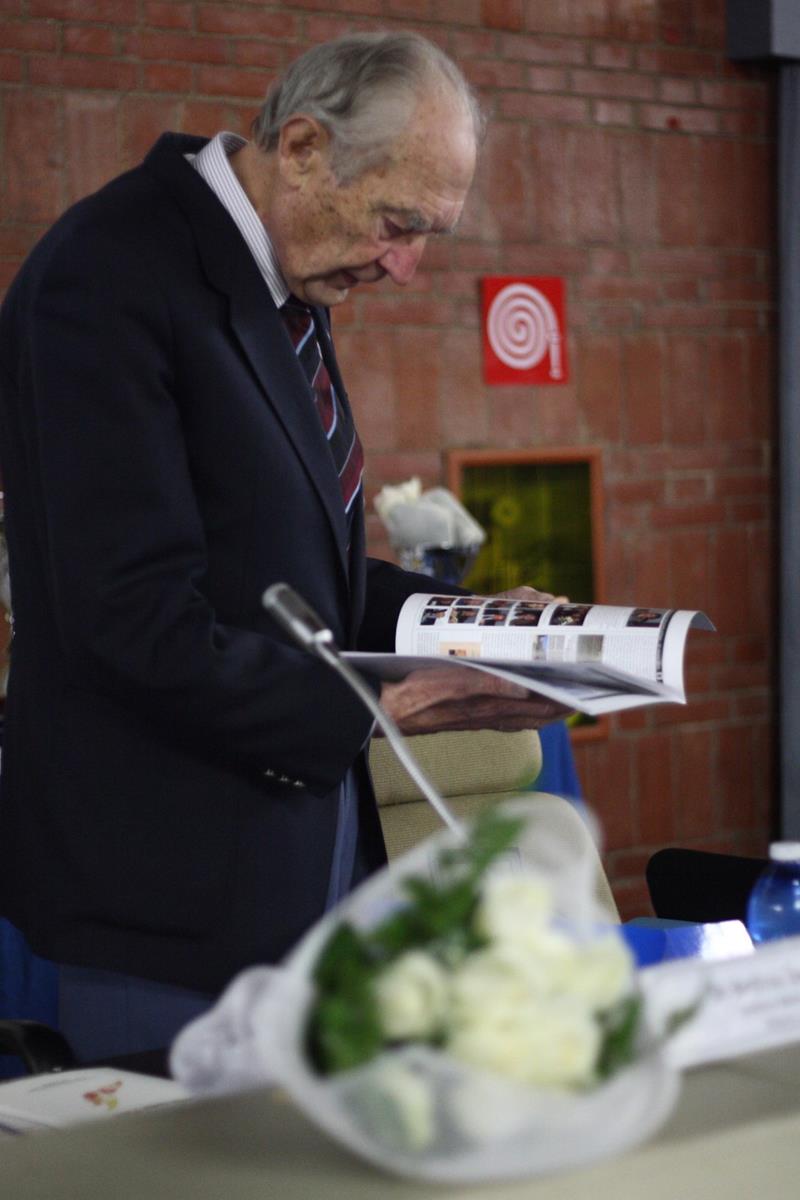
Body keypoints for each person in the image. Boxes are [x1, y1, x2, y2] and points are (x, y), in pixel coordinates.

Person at [0, 32, 565, 1062]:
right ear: (302, 148)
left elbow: (303, 586)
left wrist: (482, 627)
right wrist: (385, 705)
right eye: (398, 223)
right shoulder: (108, 274)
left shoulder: (283, 280)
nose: (406, 266)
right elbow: (129, 623)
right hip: (165, 907)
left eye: (426, 234)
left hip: (300, 875)